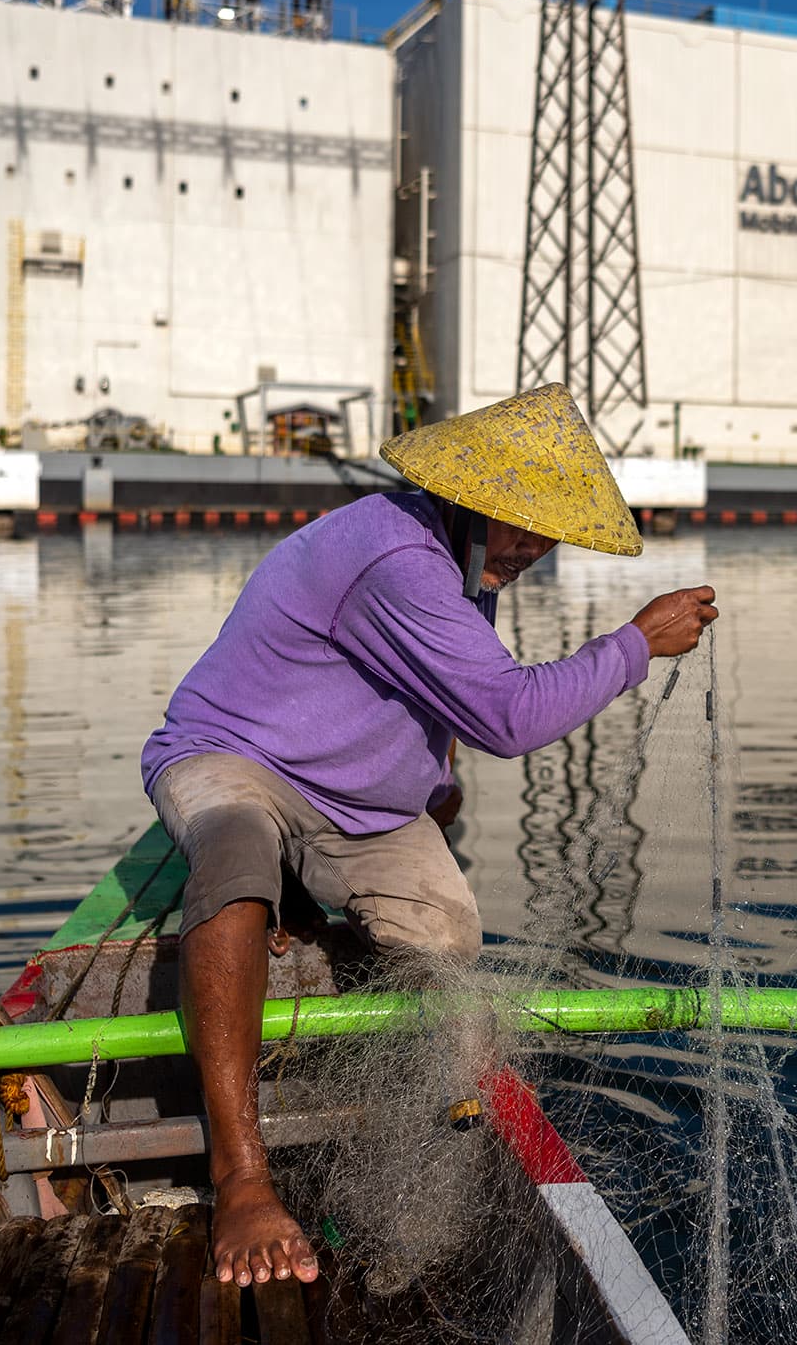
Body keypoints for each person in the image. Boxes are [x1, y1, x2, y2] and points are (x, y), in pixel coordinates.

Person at [140, 383, 719, 1288]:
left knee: (446, 942)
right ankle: (242, 1174)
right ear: (468, 500)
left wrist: (433, 790)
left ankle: (376, 1063)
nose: (532, 550)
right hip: (237, 757)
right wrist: (636, 643)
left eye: (547, 536)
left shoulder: (465, 564)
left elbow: (441, 699)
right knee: (236, 860)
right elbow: (507, 716)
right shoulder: (396, 556)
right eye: (521, 528)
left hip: (358, 806)